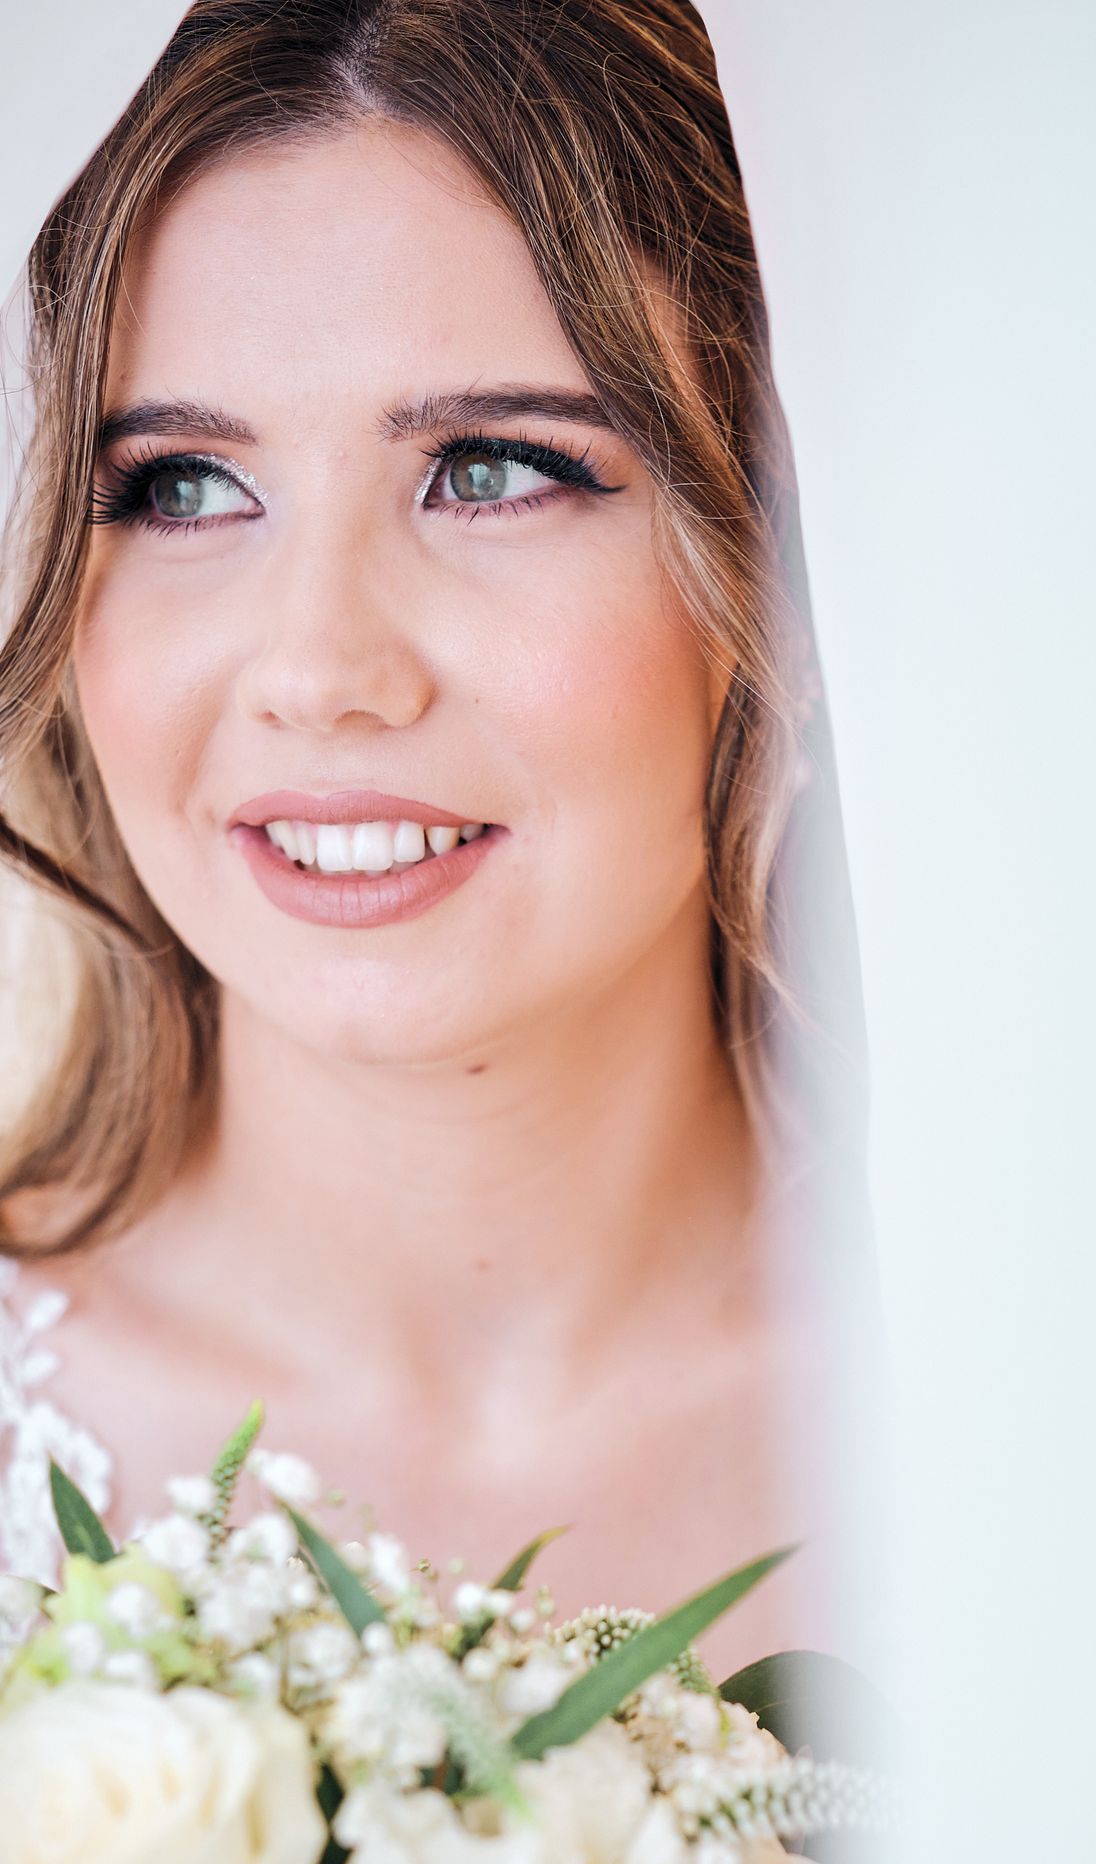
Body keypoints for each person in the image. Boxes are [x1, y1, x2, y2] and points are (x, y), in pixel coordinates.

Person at [0, 0, 872, 1677]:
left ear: (790, 558)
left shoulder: (1065, 1413)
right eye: (182, 486)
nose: (320, 669)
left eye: (489, 468)